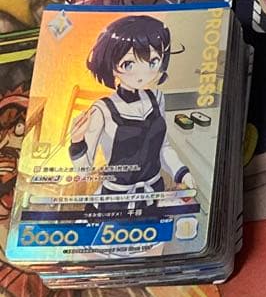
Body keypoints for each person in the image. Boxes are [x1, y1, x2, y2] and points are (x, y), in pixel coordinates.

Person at [70, 15, 194, 210]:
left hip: (154, 192)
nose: (142, 74)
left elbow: (163, 147)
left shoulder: (157, 98)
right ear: (111, 66)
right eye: (128, 64)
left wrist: (181, 172)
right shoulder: (102, 110)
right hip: (115, 199)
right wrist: (77, 142)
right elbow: (84, 171)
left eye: (153, 62)